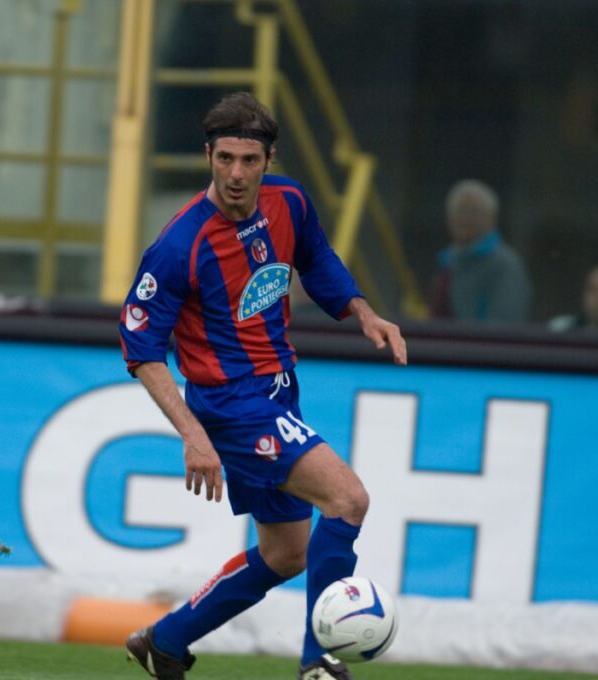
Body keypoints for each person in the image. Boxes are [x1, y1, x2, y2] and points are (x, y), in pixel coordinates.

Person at [118, 92, 407, 680]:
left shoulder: (290, 202)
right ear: (208, 155)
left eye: (249, 160)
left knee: (287, 553)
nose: (235, 174)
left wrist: (362, 311)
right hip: (231, 404)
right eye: (224, 158)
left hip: (278, 392)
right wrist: (194, 435)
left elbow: (317, 258)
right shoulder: (179, 245)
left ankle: (165, 641)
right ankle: (317, 663)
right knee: (348, 499)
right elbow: (142, 349)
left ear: (268, 160)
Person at [429, 179, 531, 323]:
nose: (464, 218)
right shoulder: (447, 260)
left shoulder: (505, 265)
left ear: (492, 219)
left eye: (473, 212)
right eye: (459, 211)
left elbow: (505, 324)